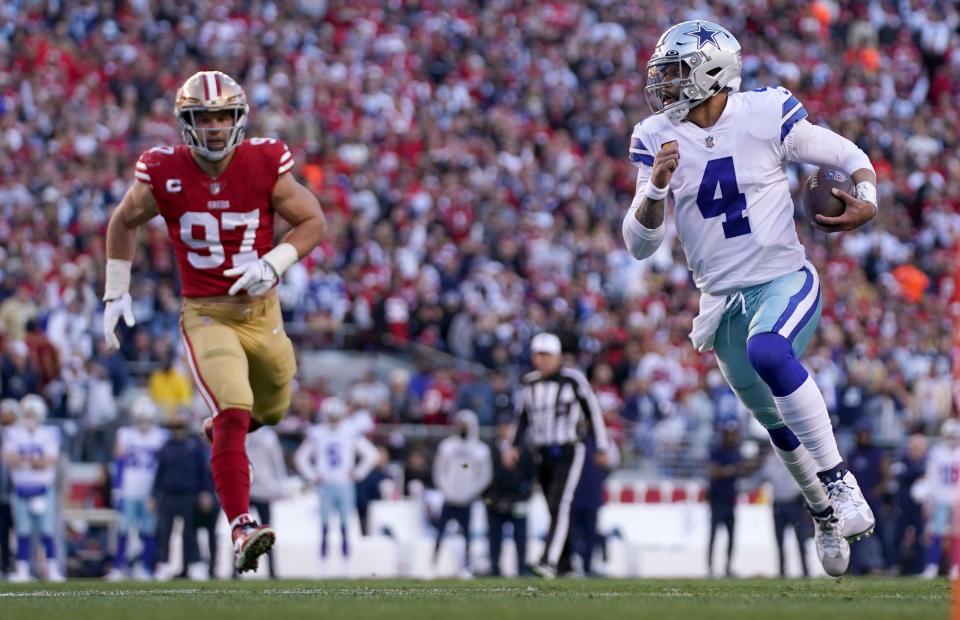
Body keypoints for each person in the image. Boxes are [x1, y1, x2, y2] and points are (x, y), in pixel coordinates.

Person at [621, 19, 877, 577]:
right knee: (776, 425)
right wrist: (658, 187)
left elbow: (839, 149)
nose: (664, 84)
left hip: (784, 278)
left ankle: (841, 483)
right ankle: (821, 511)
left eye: (676, 72)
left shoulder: (764, 112)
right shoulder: (653, 136)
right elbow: (638, 244)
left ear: (712, 74)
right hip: (720, 301)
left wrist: (869, 194)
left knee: (769, 352)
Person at [102, 70, 326, 573]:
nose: (216, 126)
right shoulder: (164, 170)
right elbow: (123, 219)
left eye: (224, 115)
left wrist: (274, 262)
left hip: (263, 310)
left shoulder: (266, 161)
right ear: (187, 122)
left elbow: (314, 220)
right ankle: (242, 525)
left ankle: (224, 431)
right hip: (206, 314)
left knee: (271, 409)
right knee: (234, 406)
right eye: (205, 117)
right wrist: (116, 289)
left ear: (239, 117)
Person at [505, 333, 610, 579]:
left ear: (558, 357)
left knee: (559, 503)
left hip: (569, 449)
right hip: (542, 451)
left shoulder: (573, 381)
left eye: (546, 355)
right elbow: (522, 418)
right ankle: (567, 564)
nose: (541, 361)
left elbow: (592, 412)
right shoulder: (529, 383)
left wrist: (602, 447)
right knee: (554, 507)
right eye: (537, 355)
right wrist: (513, 445)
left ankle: (548, 561)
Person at [294, 397, 378, 570]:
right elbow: (301, 457)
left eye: (335, 416)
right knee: (324, 525)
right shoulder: (317, 432)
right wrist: (313, 475)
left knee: (345, 524)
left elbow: (371, 454)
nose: (333, 420)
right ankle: (323, 562)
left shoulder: (350, 431)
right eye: (331, 416)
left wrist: (358, 472)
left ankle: (346, 562)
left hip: (344, 483)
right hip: (326, 484)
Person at [3, 395, 64, 582]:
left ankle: (52, 568)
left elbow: (48, 461)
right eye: (27, 413)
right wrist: (33, 460)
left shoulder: (50, 432)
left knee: (47, 532)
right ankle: (22, 570)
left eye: (32, 413)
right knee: (23, 532)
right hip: (21, 489)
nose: (29, 417)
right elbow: (8, 459)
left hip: (42, 489)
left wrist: (23, 459)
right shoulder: (13, 432)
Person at [106, 397, 168, 581]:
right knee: (123, 530)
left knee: (148, 531)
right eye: (141, 419)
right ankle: (119, 566)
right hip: (129, 489)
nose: (144, 424)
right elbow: (119, 462)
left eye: (146, 419)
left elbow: (164, 466)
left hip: (149, 491)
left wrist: (159, 493)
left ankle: (145, 566)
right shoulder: (125, 434)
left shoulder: (161, 436)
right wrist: (117, 488)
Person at [152, 412, 213, 582]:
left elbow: (203, 472)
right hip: (169, 495)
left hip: (189, 495)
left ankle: (194, 565)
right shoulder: (167, 446)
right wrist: (154, 494)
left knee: (190, 534)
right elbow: (159, 472)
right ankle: (163, 565)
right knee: (165, 532)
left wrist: (205, 491)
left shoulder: (195, 446)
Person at [432, 409, 493, 578]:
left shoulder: (481, 450)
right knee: (440, 532)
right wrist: (447, 489)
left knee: (467, 535)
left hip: (467, 500)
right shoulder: (447, 446)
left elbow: (485, 476)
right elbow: (439, 470)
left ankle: (466, 566)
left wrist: (470, 492)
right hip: (449, 498)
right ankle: (433, 564)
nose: (463, 428)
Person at [485, 414, 534, 576]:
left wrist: (521, 496)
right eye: (503, 426)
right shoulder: (491, 450)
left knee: (520, 538)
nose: (505, 430)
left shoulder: (524, 450)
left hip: (517, 501)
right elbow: (486, 476)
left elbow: (530, 475)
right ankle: (494, 569)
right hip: (496, 501)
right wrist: (493, 498)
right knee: (494, 538)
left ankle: (521, 569)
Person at [758, 448, 812, 577]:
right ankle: (782, 572)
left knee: (801, 541)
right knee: (780, 541)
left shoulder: (795, 453)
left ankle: (805, 572)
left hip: (795, 503)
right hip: (778, 504)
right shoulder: (771, 458)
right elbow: (763, 476)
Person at [919, 419, 960, 578]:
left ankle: (955, 568)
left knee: (956, 535)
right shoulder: (937, 452)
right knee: (936, 534)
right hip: (941, 497)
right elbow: (931, 477)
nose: (951, 439)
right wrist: (930, 498)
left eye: (954, 435)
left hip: (957, 499)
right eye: (949, 435)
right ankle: (932, 567)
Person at [246, 425, 288, 578]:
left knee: (266, 533)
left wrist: (281, 485)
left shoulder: (268, 436)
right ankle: (236, 570)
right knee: (241, 533)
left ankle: (272, 570)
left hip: (264, 489)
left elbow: (277, 462)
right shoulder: (240, 433)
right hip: (245, 489)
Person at [706, 422, 743, 577]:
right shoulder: (717, 452)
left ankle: (727, 567)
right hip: (717, 501)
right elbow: (713, 472)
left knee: (731, 537)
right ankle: (710, 568)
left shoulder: (736, 453)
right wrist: (730, 470)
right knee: (714, 536)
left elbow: (742, 469)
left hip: (730, 501)